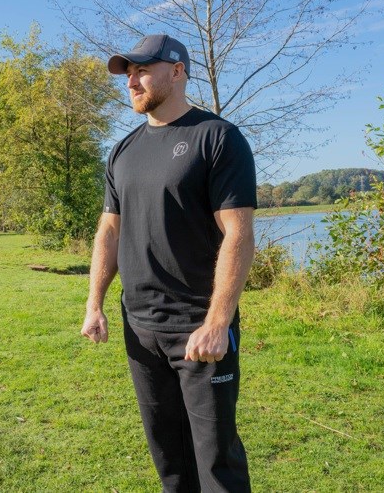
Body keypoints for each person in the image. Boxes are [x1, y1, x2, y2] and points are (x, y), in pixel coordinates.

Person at [81, 34, 256, 492]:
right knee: (169, 461)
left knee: (216, 463)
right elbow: (109, 232)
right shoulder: (123, 151)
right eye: (128, 74)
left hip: (198, 330)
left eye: (142, 70)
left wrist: (217, 322)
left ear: (177, 71)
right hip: (140, 328)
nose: (131, 82)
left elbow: (238, 234)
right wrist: (95, 303)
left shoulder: (216, 137)